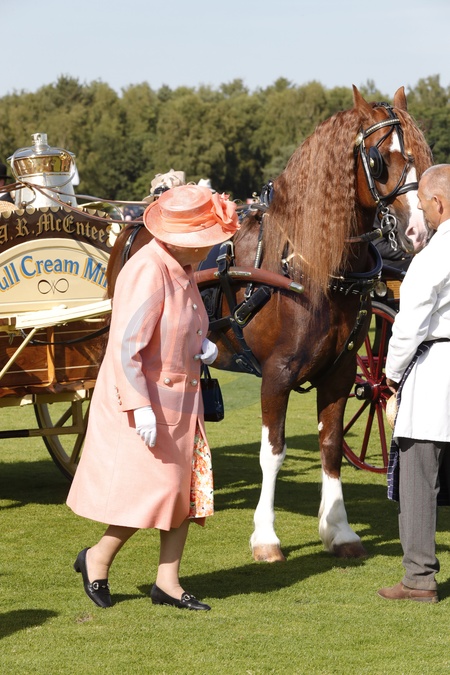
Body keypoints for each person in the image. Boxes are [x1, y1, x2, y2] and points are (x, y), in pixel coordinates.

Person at [67, 184, 239, 610]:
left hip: (179, 404)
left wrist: (202, 345)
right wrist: (139, 406)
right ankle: (97, 557)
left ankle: (168, 582)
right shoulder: (148, 269)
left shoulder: (179, 266)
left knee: (183, 493)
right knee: (155, 493)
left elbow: (179, 325)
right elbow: (126, 347)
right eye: (205, 239)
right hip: (146, 404)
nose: (210, 248)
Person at [378, 164, 450, 603]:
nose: (420, 209)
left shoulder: (434, 256)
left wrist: (390, 374)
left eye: (422, 203)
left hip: (437, 372)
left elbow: (409, 327)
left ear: (438, 203)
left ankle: (419, 578)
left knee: (419, 477)